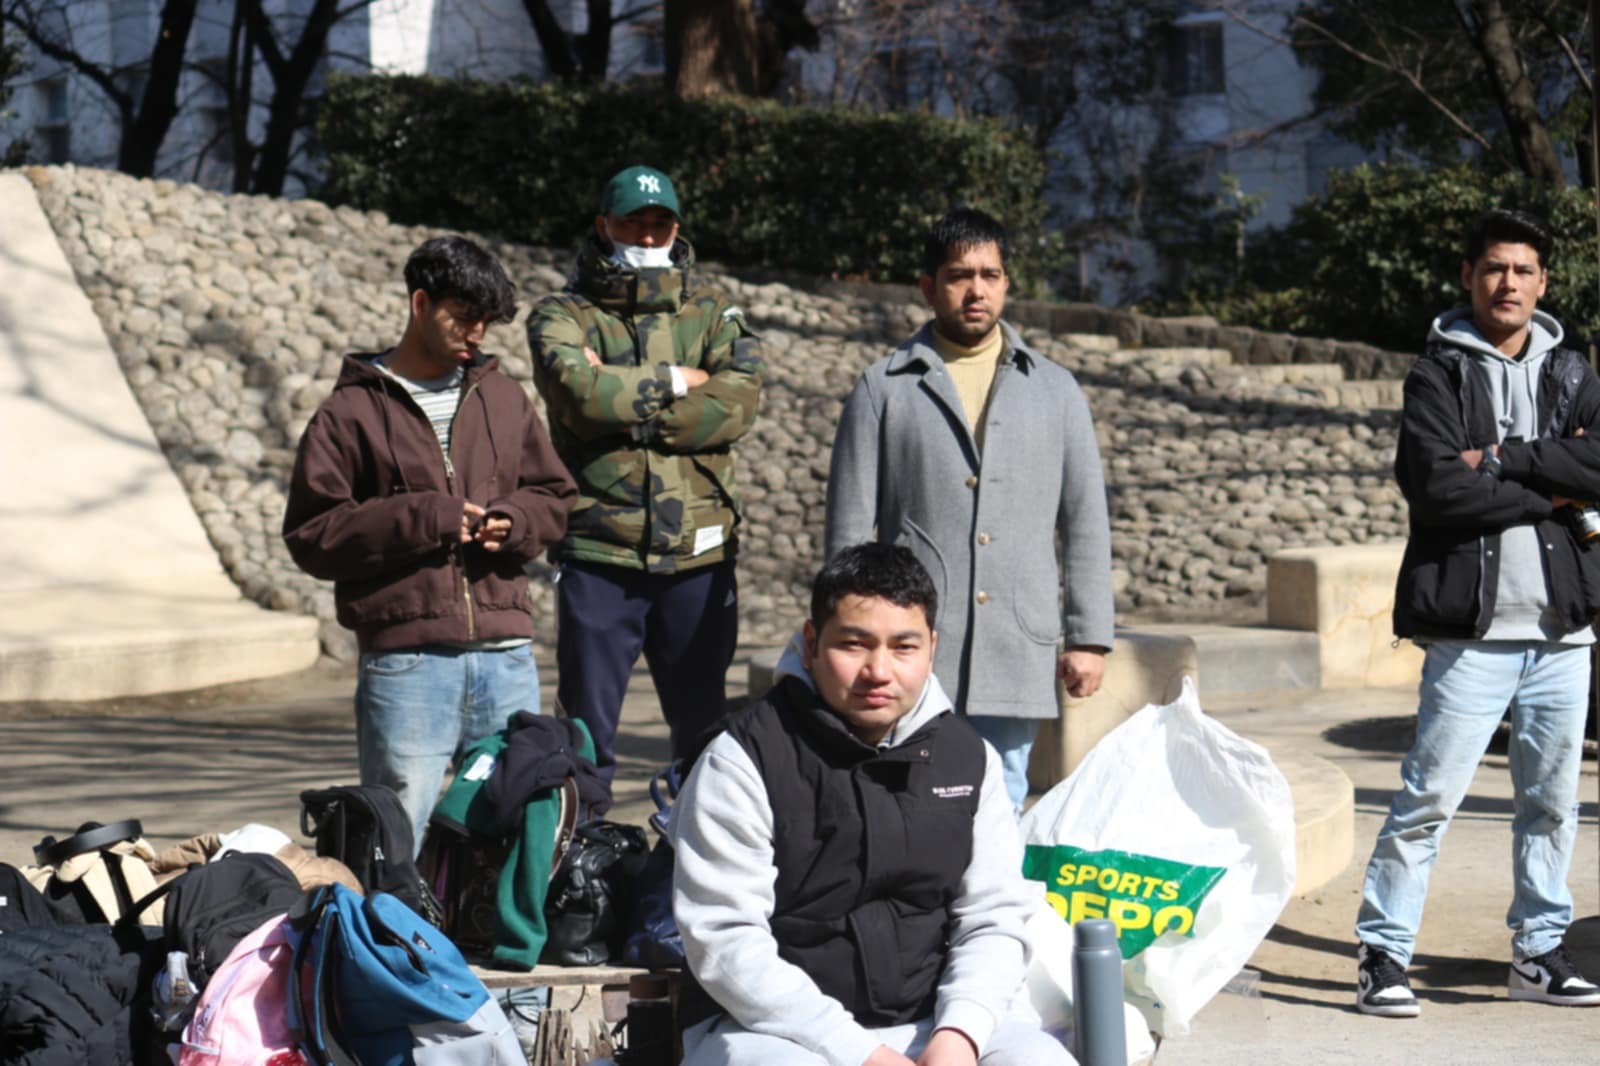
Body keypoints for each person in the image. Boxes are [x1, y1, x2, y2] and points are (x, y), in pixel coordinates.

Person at [671, 543, 1072, 1066]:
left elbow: (993, 917)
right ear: (811, 643)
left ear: (932, 647)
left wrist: (961, 1034)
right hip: (769, 1032)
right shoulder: (743, 759)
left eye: (904, 647)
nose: (878, 671)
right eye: (854, 645)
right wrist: (860, 1052)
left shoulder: (969, 758)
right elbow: (724, 939)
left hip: (935, 1022)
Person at [1354, 208, 1600, 1016]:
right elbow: (1436, 489)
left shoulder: (1573, 372)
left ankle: (1538, 953)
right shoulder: (1437, 376)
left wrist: (1500, 459)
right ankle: (1383, 956)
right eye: (1495, 268)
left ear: (1544, 283)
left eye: (1524, 270)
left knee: (1551, 804)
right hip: (1473, 633)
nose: (1509, 283)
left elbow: (1598, 465)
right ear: (1468, 276)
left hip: (1564, 632)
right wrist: (1551, 489)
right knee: (1428, 800)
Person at [283, 235, 577, 848]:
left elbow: (555, 495)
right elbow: (313, 533)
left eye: (486, 321)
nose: (477, 334)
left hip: (507, 656)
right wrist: (426, 518)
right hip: (407, 663)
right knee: (396, 837)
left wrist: (517, 521)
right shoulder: (350, 411)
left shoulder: (503, 397)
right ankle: (393, 918)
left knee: (512, 829)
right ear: (420, 304)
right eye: (463, 316)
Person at [824, 207, 1115, 810]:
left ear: (1007, 283)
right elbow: (849, 529)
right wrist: (846, 640)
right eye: (959, 275)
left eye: (990, 274)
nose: (976, 289)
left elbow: (1086, 520)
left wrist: (1089, 637)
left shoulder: (1055, 390)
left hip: (1017, 641)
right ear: (928, 287)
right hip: (908, 651)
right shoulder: (884, 386)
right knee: (904, 800)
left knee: (1001, 801)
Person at [527, 165, 763, 796]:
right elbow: (579, 395)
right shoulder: (563, 314)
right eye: (634, 223)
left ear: (677, 229)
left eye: (661, 223)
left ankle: (699, 850)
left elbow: (739, 404)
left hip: (699, 557)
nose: (649, 236)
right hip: (600, 553)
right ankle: (581, 849)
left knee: (705, 739)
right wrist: (686, 379)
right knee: (584, 741)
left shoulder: (712, 313)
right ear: (604, 225)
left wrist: (626, 403)